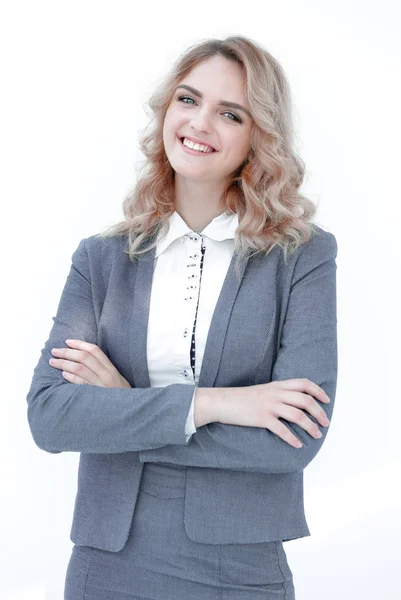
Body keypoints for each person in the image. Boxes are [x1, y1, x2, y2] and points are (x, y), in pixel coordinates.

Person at [26, 35, 338, 600]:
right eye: (188, 100)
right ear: (167, 109)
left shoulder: (301, 257)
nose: (200, 123)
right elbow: (50, 417)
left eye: (230, 113)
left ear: (258, 136)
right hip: (108, 560)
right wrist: (218, 404)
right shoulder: (101, 259)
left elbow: (294, 437)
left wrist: (120, 405)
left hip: (239, 567)